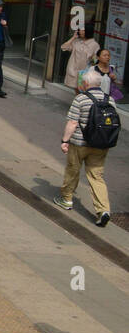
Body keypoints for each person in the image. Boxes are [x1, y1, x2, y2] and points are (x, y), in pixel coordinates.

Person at [56, 70, 115, 228]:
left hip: (79, 143)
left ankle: (67, 199)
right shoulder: (110, 100)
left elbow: (73, 123)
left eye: (82, 81)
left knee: (73, 169)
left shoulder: (80, 99)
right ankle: (103, 210)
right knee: (97, 177)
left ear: (86, 84)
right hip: (101, 145)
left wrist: (65, 141)